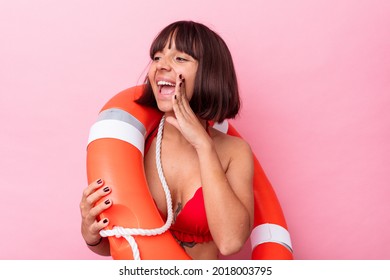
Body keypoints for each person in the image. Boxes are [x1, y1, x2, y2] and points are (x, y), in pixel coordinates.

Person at [80, 20, 254, 260]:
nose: (161, 66)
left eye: (180, 58)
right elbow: (122, 240)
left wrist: (203, 145)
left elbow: (230, 241)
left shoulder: (235, 151)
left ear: (209, 74)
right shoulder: (138, 146)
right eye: (157, 57)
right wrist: (92, 235)